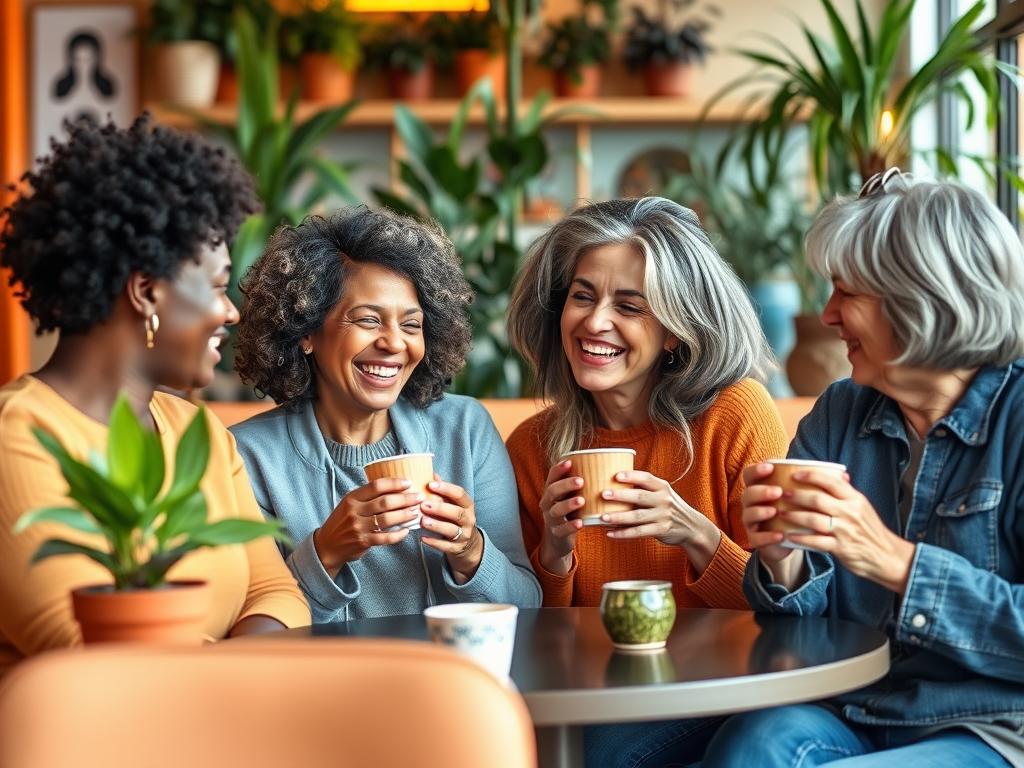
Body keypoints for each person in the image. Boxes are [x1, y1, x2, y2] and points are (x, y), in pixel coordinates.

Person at [701, 170, 1024, 768]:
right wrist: (780, 558)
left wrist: (895, 563)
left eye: (846, 293)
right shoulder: (840, 412)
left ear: (923, 298)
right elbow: (796, 627)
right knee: (752, 747)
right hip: (856, 710)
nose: (826, 315)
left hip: (991, 728)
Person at [0, 116, 311, 678]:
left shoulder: (199, 432)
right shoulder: (17, 438)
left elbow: (277, 592)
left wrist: (236, 677)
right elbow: (90, 657)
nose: (231, 311)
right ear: (146, 292)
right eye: (218, 287)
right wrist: (250, 671)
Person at [504, 196, 790, 767]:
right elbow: (540, 641)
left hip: (728, 687)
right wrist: (555, 554)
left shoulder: (736, 416)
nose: (594, 321)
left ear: (676, 333)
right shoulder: (533, 446)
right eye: (582, 296)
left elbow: (789, 611)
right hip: (596, 693)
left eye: (629, 306)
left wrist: (695, 534)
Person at [229, 207, 541, 623]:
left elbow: (530, 605)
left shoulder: (464, 430)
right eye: (369, 320)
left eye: (411, 325)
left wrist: (471, 552)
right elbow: (254, 626)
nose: (394, 343)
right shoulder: (247, 457)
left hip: (451, 680)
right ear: (306, 332)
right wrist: (327, 552)